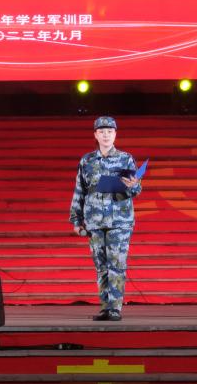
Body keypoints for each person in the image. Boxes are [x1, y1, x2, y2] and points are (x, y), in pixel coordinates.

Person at [69, 116, 142, 322]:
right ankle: (105, 307)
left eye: (110, 131)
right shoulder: (87, 161)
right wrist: (76, 220)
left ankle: (115, 308)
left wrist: (133, 185)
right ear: (95, 135)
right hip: (95, 221)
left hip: (119, 221)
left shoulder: (126, 159)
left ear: (115, 134)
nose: (106, 135)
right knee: (101, 266)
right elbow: (79, 190)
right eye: (102, 132)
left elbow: (136, 190)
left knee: (116, 264)